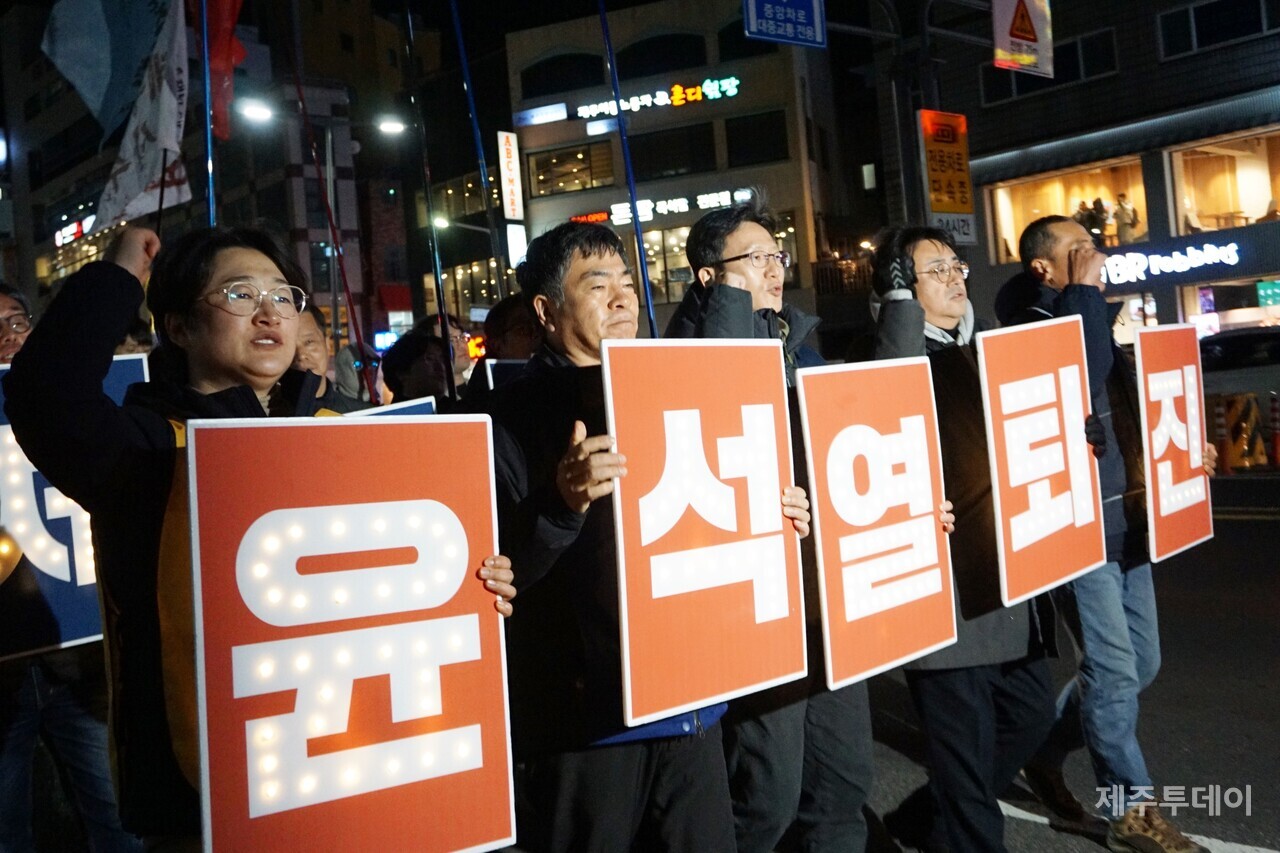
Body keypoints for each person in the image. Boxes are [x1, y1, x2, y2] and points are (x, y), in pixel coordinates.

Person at [3, 226, 516, 846]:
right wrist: (115, 279)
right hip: (209, 800)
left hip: (356, 771)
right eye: (240, 294)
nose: (271, 310)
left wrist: (478, 582)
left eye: (283, 294)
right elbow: (42, 395)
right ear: (180, 326)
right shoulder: (146, 450)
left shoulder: (344, 430)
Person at [482, 220, 811, 851]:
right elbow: (496, 576)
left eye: (628, 283)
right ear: (547, 311)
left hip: (691, 705)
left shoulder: (676, 384)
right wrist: (564, 503)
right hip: (586, 723)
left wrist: (776, 514)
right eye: (597, 284)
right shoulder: (506, 416)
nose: (621, 298)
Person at [1000, 216, 1216, 853]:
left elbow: (1131, 407)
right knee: (1114, 668)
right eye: (1080, 250)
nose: (1097, 258)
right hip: (1075, 523)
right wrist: (1086, 295)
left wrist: (1182, 455)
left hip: (1127, 516)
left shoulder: (1093, 314)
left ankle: (1041, 750)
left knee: (1139, 661)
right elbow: (1081, 375)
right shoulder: (1033, 324)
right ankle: (1131, 808)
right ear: (1044, 266)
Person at [667, 196, 875, 852]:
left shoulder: (803, 350)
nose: (773, 268)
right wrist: (733, 310)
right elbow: (721, 403)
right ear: (708, 278)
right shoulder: (676, 355)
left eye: (775, 255)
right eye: (752, 259)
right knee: (766, 796)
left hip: (823, 602)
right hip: (755, 604)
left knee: (842, 783)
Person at [871, 226, 1058, 853]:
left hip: (1010, 583)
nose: (955, 278)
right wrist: (896, 313)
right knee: (967, 768)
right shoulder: (891, 355)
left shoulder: (989, 349)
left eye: (956, 265)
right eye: (933, 271)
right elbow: (888, 399)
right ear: (899, 290)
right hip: (947, 602)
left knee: (1031, 713)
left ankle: (926, 822)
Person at [0, 282, 142, 853]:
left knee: (121, 822)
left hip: (81, 664)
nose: (9, 336)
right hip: (4, 679)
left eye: (16, 319)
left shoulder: (83, 407)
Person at [292, 304, 369, 412]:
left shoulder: (361, 417)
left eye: (309, 342)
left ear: (327, 344)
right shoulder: (267, 419)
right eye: (289, 346)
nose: (300, 355)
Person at [380, 322, 453, 405]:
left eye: (443, 359)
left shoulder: (456, 411)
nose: (441, 367)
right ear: (402, 373)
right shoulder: (394, 416)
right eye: (430, 359)